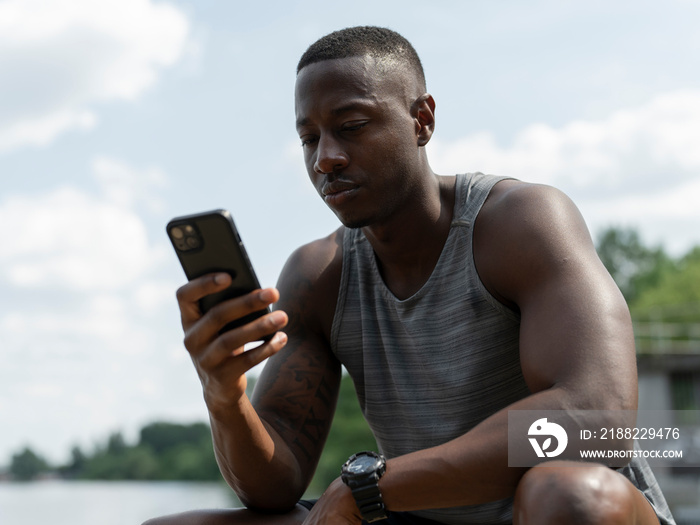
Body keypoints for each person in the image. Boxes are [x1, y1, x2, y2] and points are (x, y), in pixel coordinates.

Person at [146, 26, 675, 525]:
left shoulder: (519, 221)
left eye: (351, 127)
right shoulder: (319, 275)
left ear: (421, 120)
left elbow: (598, 419)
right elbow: (272, 488)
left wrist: (375, 486)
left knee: (565, 495)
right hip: (417, 514)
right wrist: (224, 393)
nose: (326, 158)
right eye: (310, 138)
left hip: (557, 513)